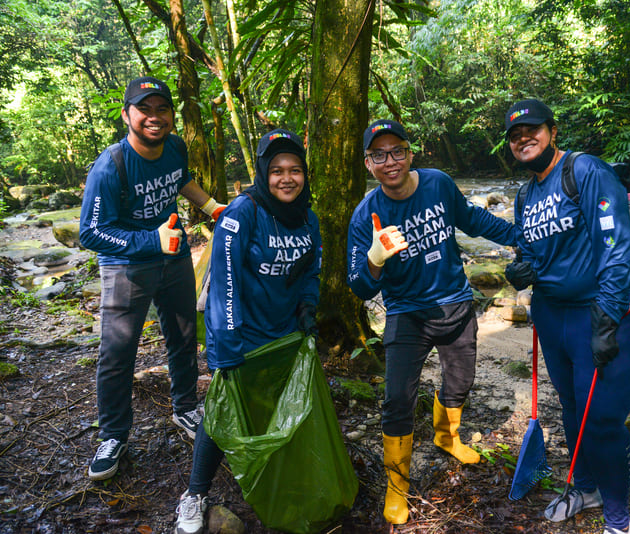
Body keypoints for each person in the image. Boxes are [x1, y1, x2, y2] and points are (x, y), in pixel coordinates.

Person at [502, 99, 630, 534]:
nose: (523, 139)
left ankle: (617, 520)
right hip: (556, 316)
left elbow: (616, 250)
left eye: (532, 130)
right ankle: (585, 487)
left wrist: (607, 319)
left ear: (552, 131)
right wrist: (522, 270)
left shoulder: (584, 171)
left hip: (614, 308)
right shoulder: (525, 195)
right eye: (515, 135)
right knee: (572, 407)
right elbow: (533, 252)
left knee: (603, 419)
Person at [346, 119, 515, 525]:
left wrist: (521, 236)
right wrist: (374, 258)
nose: (391, 161)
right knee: (397, 401)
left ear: (410, 152)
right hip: (406, 313)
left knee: (460, 382)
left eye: (397, 151)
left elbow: (474, 221)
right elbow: (359, 288)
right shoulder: (364, 215)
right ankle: (397, 486)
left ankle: (446, 437)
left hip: (455, 303)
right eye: (380, 155)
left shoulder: (438, 183)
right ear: (369, 163)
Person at [173, 129, 321, 534]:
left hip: (285, 335)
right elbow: (225, 281)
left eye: (294, 170)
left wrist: (309, 309)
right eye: (276, 170)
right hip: (241, 334)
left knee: (278, 407)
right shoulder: (243, 212)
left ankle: (272, 479)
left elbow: (311, 270)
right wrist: (227, 345)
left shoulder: (308, 218)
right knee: (221, 413)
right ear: (262, 173)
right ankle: (194, 495)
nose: (286, 178)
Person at [79, 76, 226, 482]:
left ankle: (185, 407)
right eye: (145, 109)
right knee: (117, 352)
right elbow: (90, 233)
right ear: (127, 115)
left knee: (181, 335)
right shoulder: (111, 166)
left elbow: (180, 179)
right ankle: (112, 436)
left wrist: (213, 206)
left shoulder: (175, 147)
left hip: (174, 255)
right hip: (126, 264)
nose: (154, 118)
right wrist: (150, 240)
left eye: (163, 109)